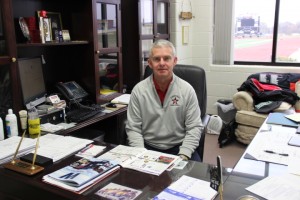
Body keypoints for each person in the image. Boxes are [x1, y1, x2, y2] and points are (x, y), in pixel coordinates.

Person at [125, 39, 204, 161]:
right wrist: (141, 155)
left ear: (175, 61)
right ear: (150, 63)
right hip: (148, 148)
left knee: (194, 177)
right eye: (157, 59)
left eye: (166, 58)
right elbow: (133, 128)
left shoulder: (187, 90)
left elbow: (194, 127)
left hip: (179, 147)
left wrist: (184, 154)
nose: (162, 63)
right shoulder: (138, 91)